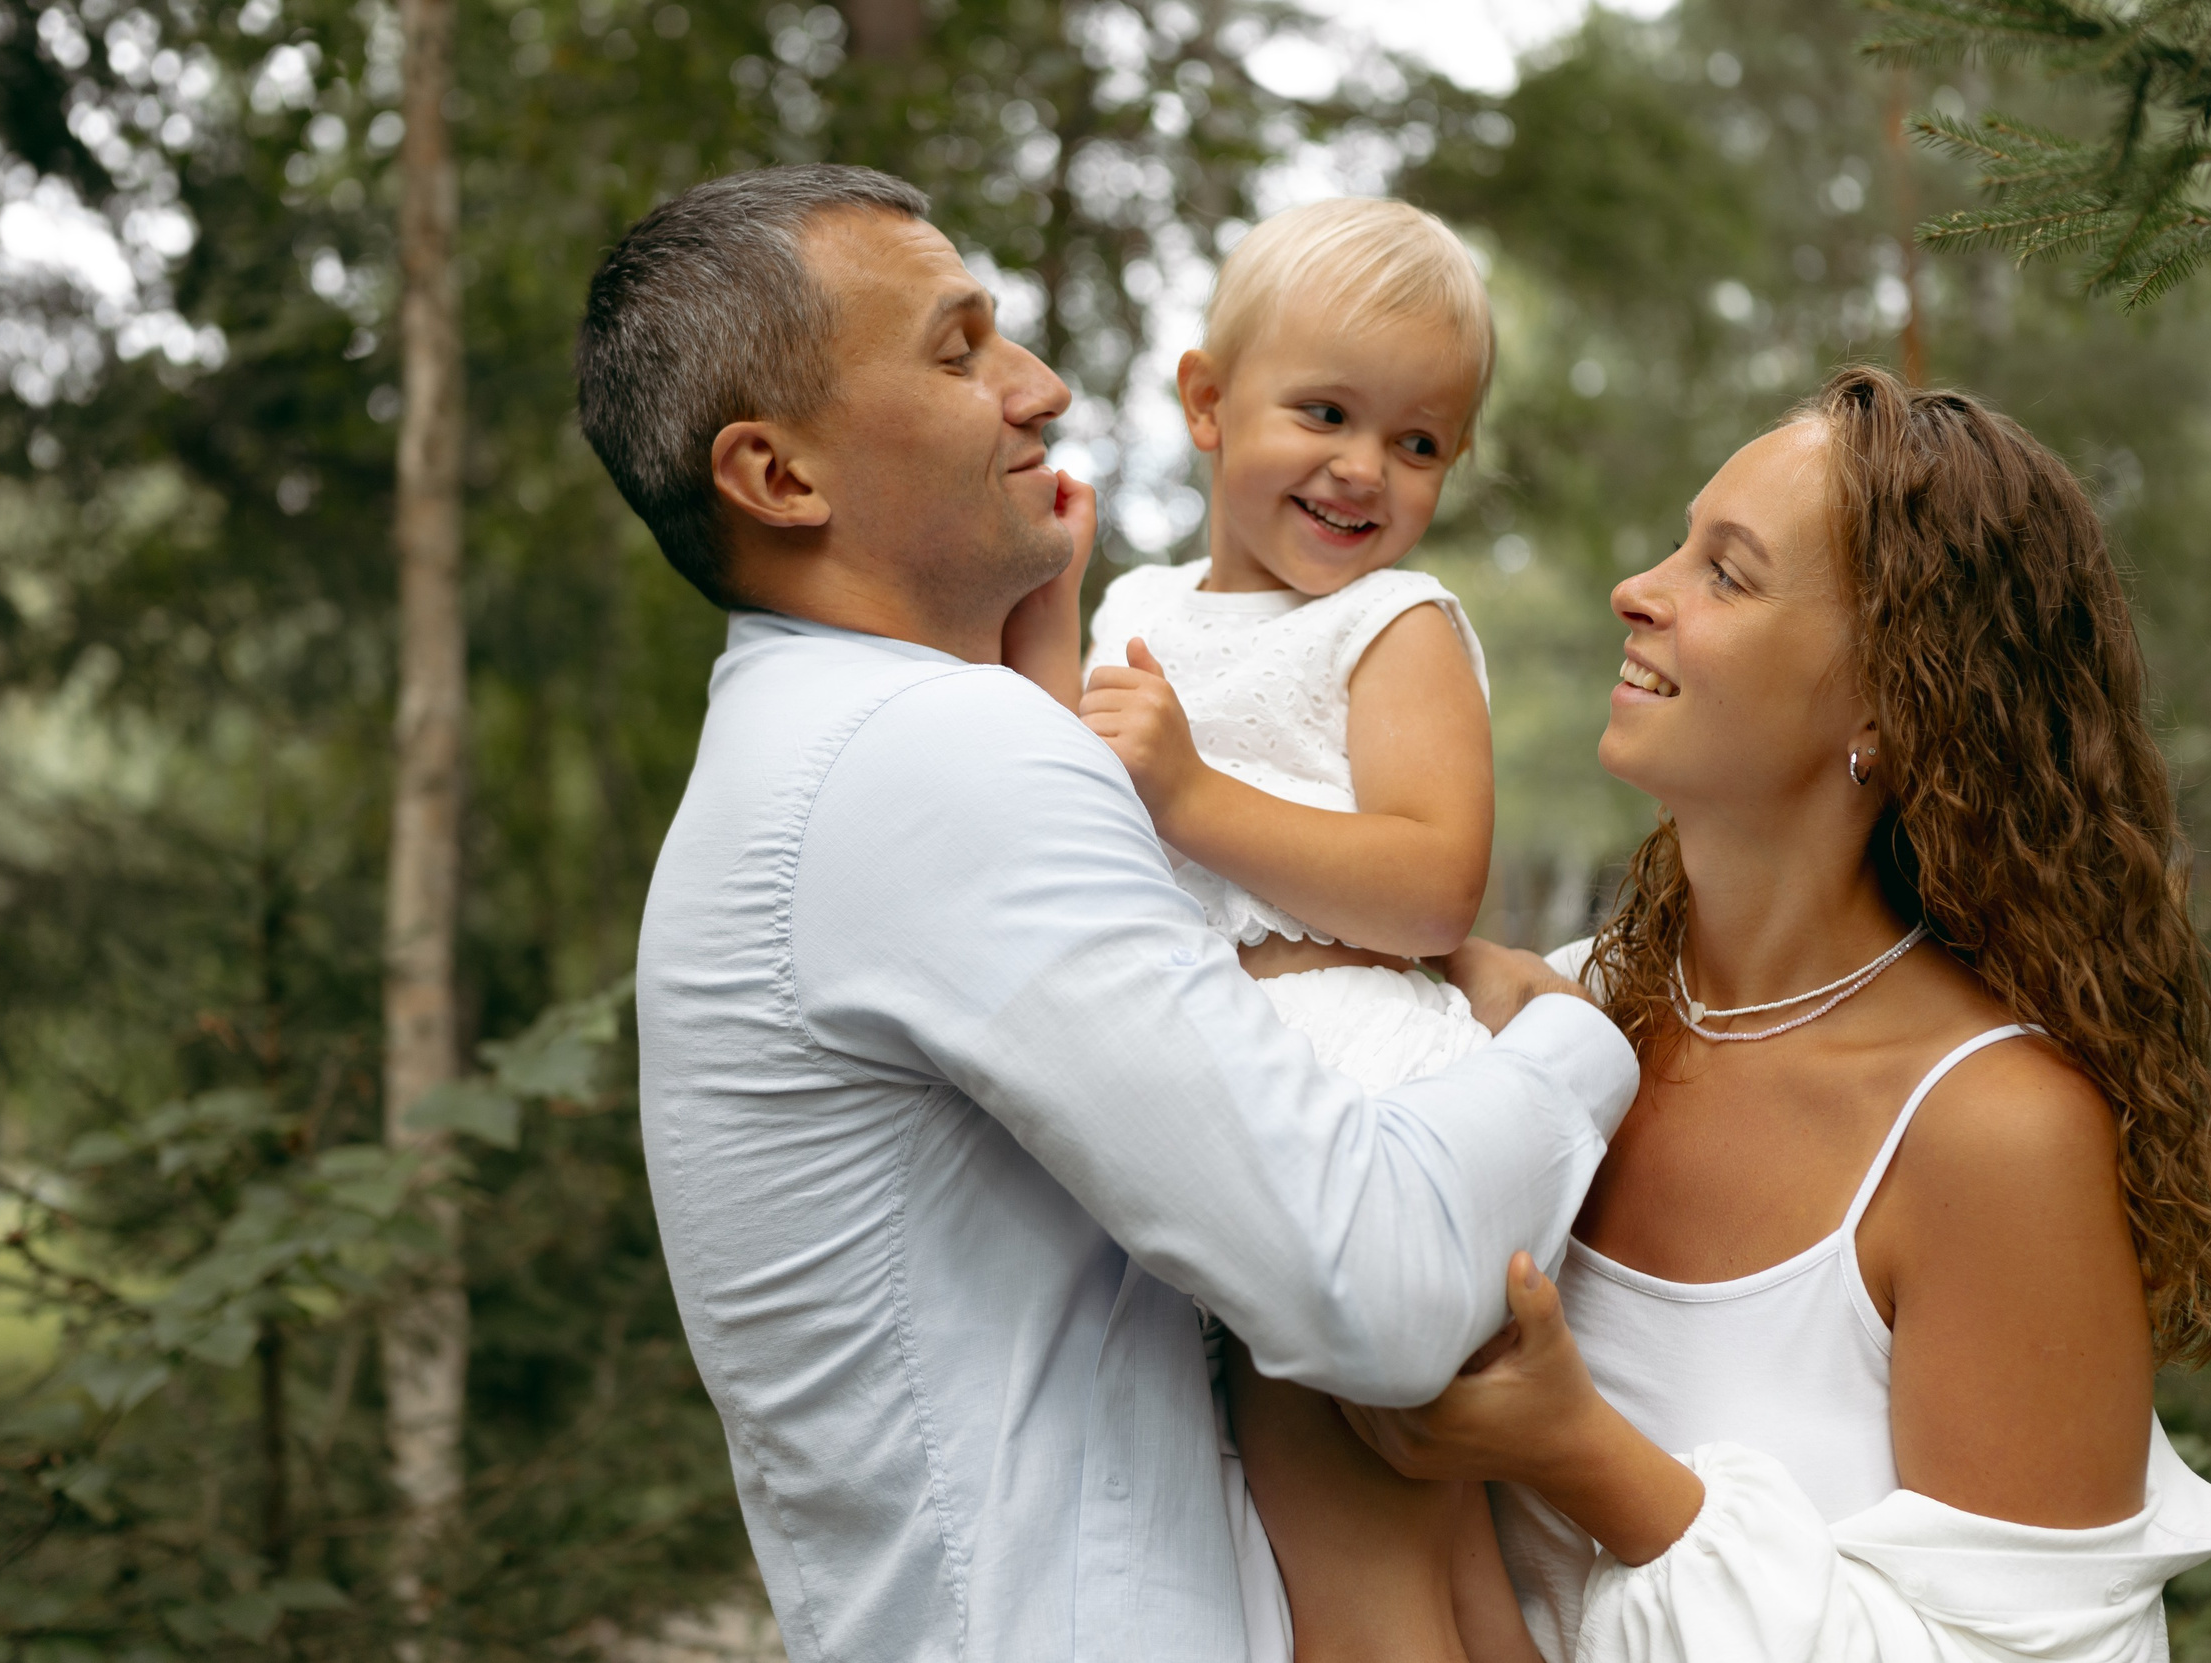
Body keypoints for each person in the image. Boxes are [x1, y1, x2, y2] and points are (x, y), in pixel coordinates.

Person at [572, 164, 1638, 1663]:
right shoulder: (933, 759)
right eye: (959, 351)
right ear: (781, 477)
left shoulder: (815, 752)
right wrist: (1576, 1038)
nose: (1045, 388)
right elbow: (1373, 1279)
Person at [1320, 366, 2211, 1660]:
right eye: (1677, 542)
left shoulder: (1996, 1134)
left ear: (1892, 696)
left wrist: (1581, 1452)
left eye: (1727, 573)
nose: (1637, 590)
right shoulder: (1559, 1012)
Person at [1012, 197, 1548, 1663]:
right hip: (1245, 1095)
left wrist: (1192, 790)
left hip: (1349, 1111)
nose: (1364, 468)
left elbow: (1436, 889)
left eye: (1420, 440)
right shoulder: (1144, 604)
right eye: (1326, 411)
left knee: (1356, 1583)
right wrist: (1056, 601)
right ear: (1204, 401)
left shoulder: (1397, 622)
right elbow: (1075, 780)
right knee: (1443, 1565)